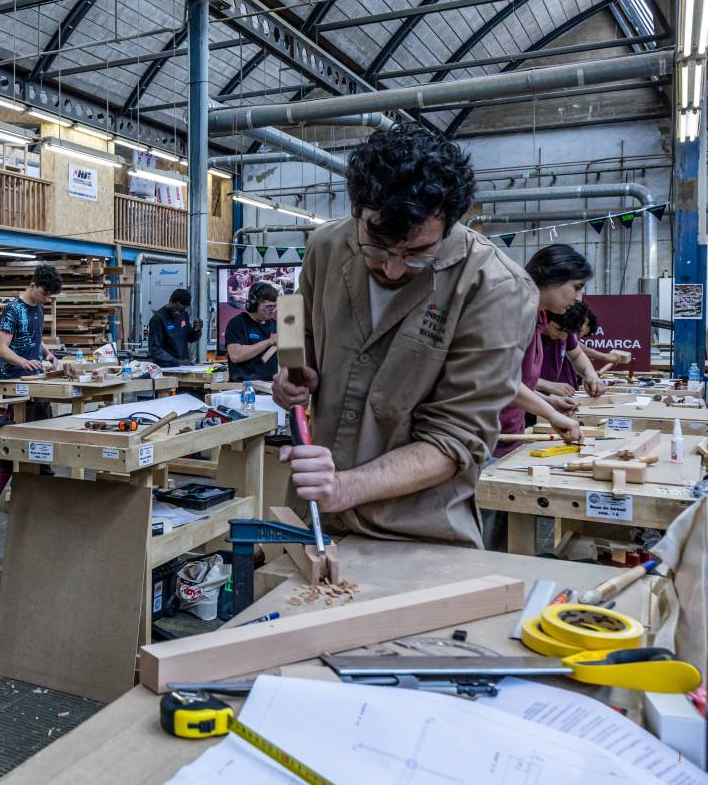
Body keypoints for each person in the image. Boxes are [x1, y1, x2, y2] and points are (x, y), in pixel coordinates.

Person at [273, 123, 539, 549]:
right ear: (357, 208)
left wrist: (343, 488)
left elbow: (455, 439)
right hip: (315, 520)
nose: (393, 269)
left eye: (416, 254)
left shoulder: (496, 289)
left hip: (417, 533)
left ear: (454, 220)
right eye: (376, 248)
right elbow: (301, 344)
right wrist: (292, 380)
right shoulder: (326, 247)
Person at [493, 245, 594, 459]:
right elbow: (499, 380)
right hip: (487, 438)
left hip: (509, 434)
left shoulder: (537, 318)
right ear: (551, 278)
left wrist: (548, 402)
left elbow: (517, 382)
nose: (579, 298)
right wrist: (550, 414)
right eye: (576, 287)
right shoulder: (513, 311)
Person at [0, 264, 63, 379]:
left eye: (50, 295)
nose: (47, 299)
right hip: (13, 378)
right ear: (33, 285)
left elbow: (34, 339)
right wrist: (24, 362)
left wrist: (48, 353)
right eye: (44, 294)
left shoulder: (40, 308)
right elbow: (1, 349)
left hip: (35, 376)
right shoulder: (13, 309)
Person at [536, 301, 607, 398]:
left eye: (568, 332)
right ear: (545, 317)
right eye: (559, 330)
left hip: (545, 401)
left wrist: (591, 375)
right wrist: (547, 385)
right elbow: (513, 379)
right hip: (523, 405)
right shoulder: (529, 333)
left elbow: (577, 356)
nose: (563, 336)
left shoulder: (565, 328)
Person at [225, 281, 279, 382]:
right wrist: (269, 342)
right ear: (253, 305)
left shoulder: (275, 325)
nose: (273, 311)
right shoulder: (237, 324)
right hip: (242, 387)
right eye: (268, 306)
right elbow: (236, 355)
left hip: (269, 385)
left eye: (275, 306)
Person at [148, 288, 203, 367]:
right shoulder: (158, 319)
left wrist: (196, 330)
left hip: (184, 366)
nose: (177, 313)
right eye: (175, 309)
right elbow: (155, 349)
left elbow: (190, 338)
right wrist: (176, 361)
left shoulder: (184, 315)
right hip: (166, 368)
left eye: (181, 310)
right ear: (171, 301)